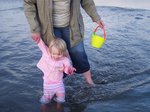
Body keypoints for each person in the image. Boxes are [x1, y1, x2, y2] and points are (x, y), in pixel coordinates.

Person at [24, 0, 105, 86]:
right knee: (55, 58)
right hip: (49, 29)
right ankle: (59, 86)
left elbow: (87, 2)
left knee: (79, 54)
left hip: (72, 26)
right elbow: (29, 3)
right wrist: (34, 28)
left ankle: (89, 81)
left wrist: (96, 17)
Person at [32, 36, 76, 109]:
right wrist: (38, 39)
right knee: (46, 100)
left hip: (59, 83)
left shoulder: (65, 60)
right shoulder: (47, 55)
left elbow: (67, 68)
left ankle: (59, 109)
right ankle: (44, 109)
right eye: (54, 53)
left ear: (63, 52)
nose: (56, 56)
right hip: (48, 83)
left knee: (61, 99)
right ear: (50, 51)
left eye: (59, 54)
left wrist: (69, 70)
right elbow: (42, 46)